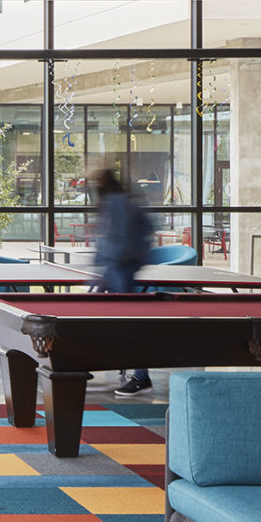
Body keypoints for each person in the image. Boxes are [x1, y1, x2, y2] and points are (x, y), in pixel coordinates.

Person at [91, 168, 156, 397]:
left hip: (120, 270)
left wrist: (107, 265)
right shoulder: (126, 201)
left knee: (129, 324)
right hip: (120, 269)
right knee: (110, 321)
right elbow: (148, 228)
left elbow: (113, 239)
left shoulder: (115, 204)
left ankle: (141, 375)